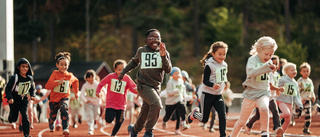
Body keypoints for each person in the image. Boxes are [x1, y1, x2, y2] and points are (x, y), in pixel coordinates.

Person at [118, 29, 172, 137]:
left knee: (144, 113)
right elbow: (134, 62)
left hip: (156, 87)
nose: (155, 40)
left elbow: (168, 70)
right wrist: (123, 72)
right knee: (157, 104)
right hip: (143, 85)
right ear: (146, 40)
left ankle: (134, 130)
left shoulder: (164, 52)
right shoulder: (141, 51)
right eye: (152, 38)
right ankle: (149, 132)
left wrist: (163, 56)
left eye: (158, 38)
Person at [229, 36, 278, 137]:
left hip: (263, 92)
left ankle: (265, 132)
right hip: (250, 94)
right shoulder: (252, 60)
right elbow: (251, 72)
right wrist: (266, 67)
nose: (269, 57)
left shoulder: (268, 62)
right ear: (259, 50)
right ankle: (232, 135)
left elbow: (268, 78)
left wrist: (272, 70)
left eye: (271, 54)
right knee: (242, 122)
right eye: (266, 54)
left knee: (264, 108)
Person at [187, 41, 228, 137]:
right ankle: (194, 114)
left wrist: (224, 85)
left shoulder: (225, 65)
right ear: (213, 54)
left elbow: (223, 77)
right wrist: (213, 85)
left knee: (223, 116)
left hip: (218, 95)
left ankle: (223, 135)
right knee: (204, 119)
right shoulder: (209, 65)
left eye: (224, 54)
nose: (222, 56)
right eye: (219, 54)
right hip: (207, 95)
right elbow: (205, 81)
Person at [244, 55, 284, 137]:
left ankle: (277, 128)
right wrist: (278, 88)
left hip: (271, 97)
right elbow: (269, 85)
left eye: (276, 64)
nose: (274, 66)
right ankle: (248, 125)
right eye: (273, 63)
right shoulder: (267, 73)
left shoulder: (276, 74)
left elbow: (275, 84)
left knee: (275, 111)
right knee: (258, 115)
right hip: (262, 96)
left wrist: (277, 90)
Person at [96, 59, 137, 137]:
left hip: (121, 104)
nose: (121, 71)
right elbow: (101, 83)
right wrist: (98, 91)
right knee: (109, 120)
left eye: (123, 69)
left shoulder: (127, 78)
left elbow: (133, 88)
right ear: (115, 69)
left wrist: (137, 91)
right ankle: (107, 112)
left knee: (120, 121)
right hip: (110, 103)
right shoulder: (110, 76)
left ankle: (113, 134)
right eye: (119, 69)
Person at [45, 52, 79, 137]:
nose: (64, 67)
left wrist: (76, 92)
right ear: (57, 65)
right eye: (61, 65)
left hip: (64, 97)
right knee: (53, 115)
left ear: (68, 65)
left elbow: (76, 81)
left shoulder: (70, 76)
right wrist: (57, 83)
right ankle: (51, 123)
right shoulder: (55, 74)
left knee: (64, 109)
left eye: (65, 65)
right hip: (54, 99)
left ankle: (65, 128)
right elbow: (47, 86)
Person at [5, 58, 36, 137]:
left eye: (26, 67)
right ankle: (10, 117)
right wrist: (9, 98)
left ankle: (26, 134)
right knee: (14, 118)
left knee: (25, 116)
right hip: (14, 100)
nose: (25, 68)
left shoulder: (30, 78)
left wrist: (32, 95)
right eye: (23, 67)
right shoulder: (15, 77)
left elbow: (32, 88)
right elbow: (7, 89)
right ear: (18, 67)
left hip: (23, 100)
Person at [276, 62, 303, 134]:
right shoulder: (282, 79)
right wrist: (277, 90)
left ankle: (281, 133)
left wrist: (300, 105)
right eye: (292, 70)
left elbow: (296, 95)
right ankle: (276, 116)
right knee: (287, 114)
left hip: (289, 103)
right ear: (286, 72)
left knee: (288, 119)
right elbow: (275, 85)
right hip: (281, 100)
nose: (294, 71)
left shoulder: (295, 83)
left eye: (295, 70)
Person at [162, 67, 190, 135]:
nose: (178, 75)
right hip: (171, 102)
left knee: (180, 111)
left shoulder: (181, 82)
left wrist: (190, 97)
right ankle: (164, 121)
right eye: (175, 74)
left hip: (178, 100)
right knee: (168, 116)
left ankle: (181, 125)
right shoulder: (170, 82)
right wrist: (175, 91)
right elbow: (168, 92)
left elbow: (183, 92)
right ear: (172, 75)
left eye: (179, 73)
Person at [296, 62, 316, 134]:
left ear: (309, 71)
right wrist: (300, 99)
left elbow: (311, 90)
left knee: (308, 115)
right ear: (300, 72)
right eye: (304, 71)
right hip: (300, 100)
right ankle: (296, 113)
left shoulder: (310, 81)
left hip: (307, 100)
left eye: (307, 71)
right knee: (297, 115)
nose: (306, 73)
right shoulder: (300, 81)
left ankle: (306, 129)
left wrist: (313, 96)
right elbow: (297, 91)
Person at [80, 69, 101, 135]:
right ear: (86, 78)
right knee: (90, 116)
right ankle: (90, 129)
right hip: (89, 102)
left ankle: (97, 120)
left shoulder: (97, 84)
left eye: (92, 77)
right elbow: (81, 94)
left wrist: (102, 95)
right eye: (89, 78)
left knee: (96, 114)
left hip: (97, 102)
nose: (91, 79)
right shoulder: (85, 85)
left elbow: (103, 91)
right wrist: (85, 100)